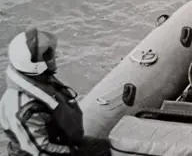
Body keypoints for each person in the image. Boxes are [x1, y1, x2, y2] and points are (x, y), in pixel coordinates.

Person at [0, 28, 111, 156]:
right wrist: (73, 152)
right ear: (34, 65)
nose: (55, 56)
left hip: (58, 140)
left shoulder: (39, 78)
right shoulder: (25, 109)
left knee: (103, 147)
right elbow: (40, 149)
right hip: (38, 152)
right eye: (48, 55)